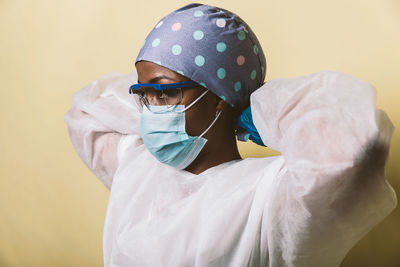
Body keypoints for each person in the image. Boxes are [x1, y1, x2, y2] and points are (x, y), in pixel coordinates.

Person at [64, 3, 397, 267]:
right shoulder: (136, 165)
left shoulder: (270, 196)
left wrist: (258, 110)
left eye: (165, 94)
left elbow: (350, 152)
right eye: (143, 94)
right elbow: (86, 112)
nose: (150, 110)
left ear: (219, 99)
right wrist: (159, 90)